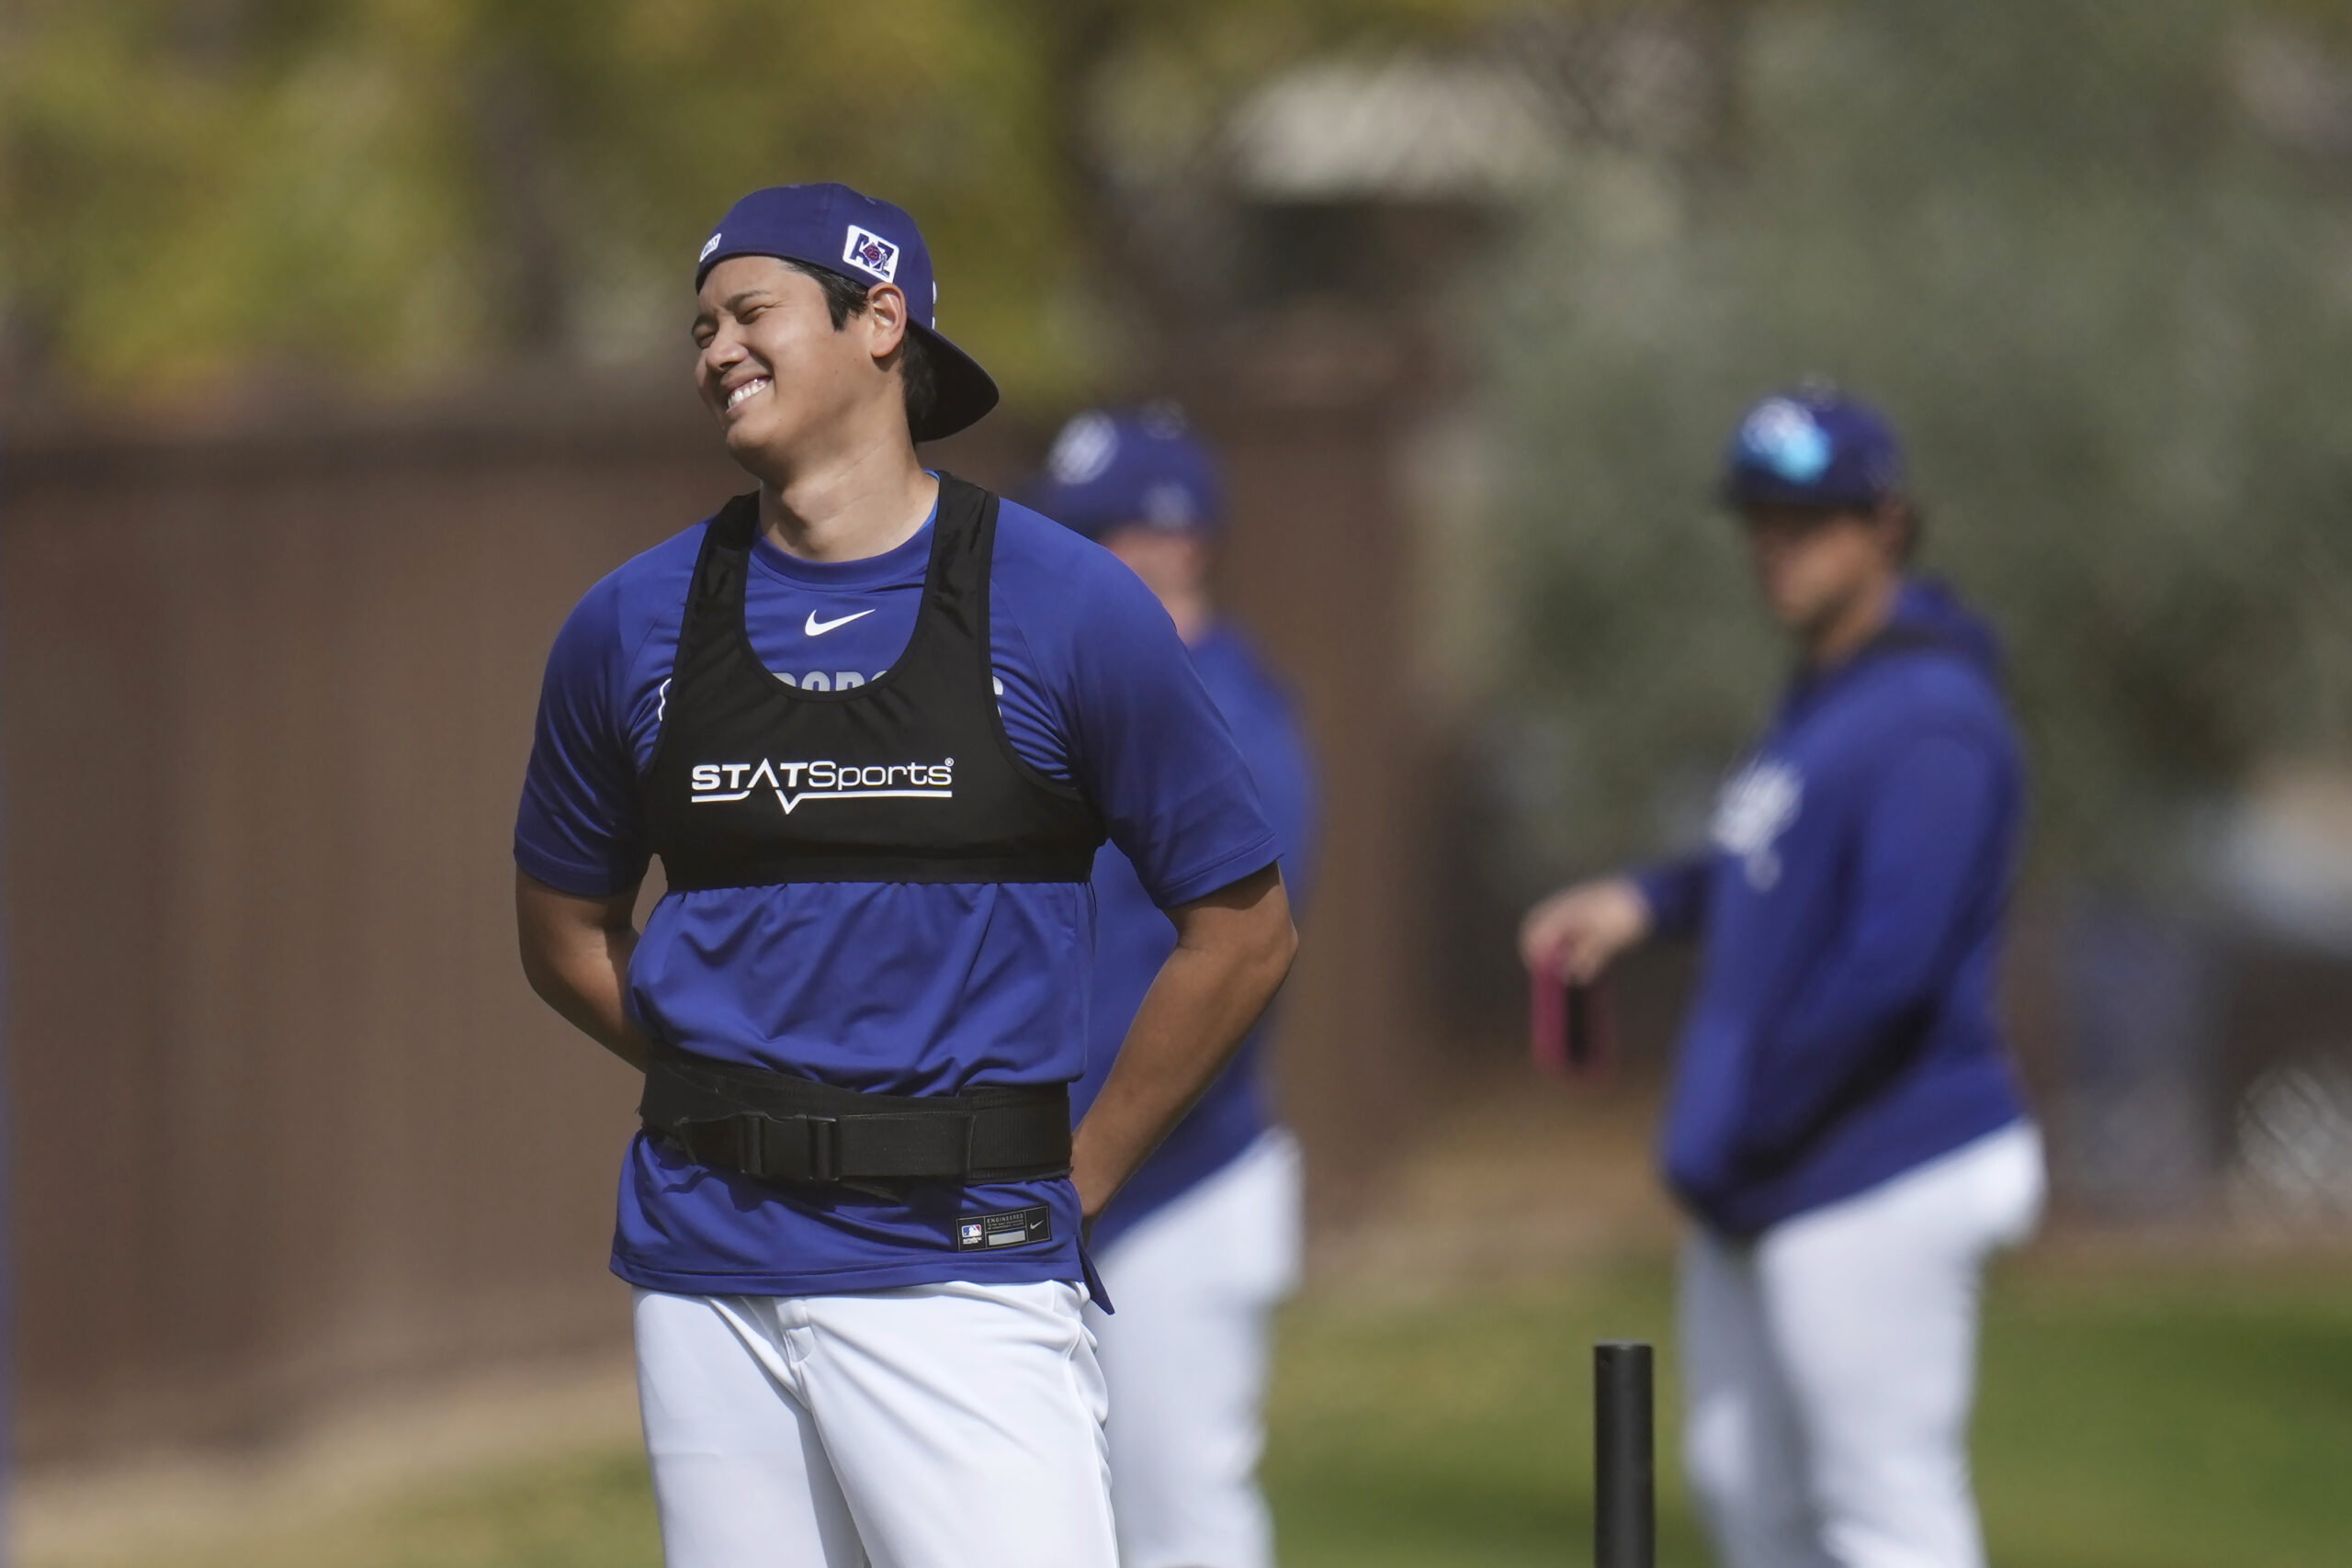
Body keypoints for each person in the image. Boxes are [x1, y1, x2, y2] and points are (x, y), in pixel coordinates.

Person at [513, 183, 1297, 1568]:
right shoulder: (626, 624)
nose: (715, 351)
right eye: (699, 327)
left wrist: (1085, 1170)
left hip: (964, 1273)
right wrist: (728, 1077)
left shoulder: (1068, 605)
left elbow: (1240, 930)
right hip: (707, 1281)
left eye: (751, 313)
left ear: (881, 321)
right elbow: (563, 924)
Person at [1520, 389, 2044, 1568]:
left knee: (1882, 1513)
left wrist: (1753, 1118)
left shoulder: (1931, 719)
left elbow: (1890, 968)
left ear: (1887, 524)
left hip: (1875, 1160)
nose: (1775, 544)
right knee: (1752, 1504)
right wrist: (1647, 901)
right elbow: (1768, 876)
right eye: (1759, 517)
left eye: (1808, 519)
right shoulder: (1829, 700)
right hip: (1779, 1174)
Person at [1023, 408, 1317, 1568]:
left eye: (1095, 537)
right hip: (1095, 1191)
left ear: (1177, 546)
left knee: (1181, 1528)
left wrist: (1086, 1166)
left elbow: (1239, 970)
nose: (1064, 567)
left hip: (1174, 1191)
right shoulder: (1093, 708)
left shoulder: (1229, 716)